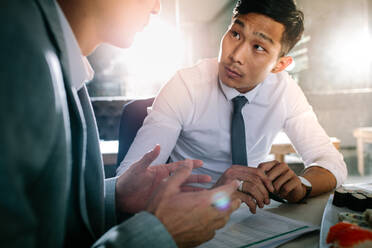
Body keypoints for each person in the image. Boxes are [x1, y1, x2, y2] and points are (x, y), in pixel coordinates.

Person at [0, 0, 242, 247]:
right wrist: (158, 234)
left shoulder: (57, 54)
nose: (157, 8)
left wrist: (114, 196)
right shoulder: (16, 48)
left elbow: (45, 211)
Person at [117, 0, 348, 214]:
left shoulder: (284, 90)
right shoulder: (185, 86)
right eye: (235, 34)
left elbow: (332, 162)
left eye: (258, 47)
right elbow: (129, 182)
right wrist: (214, 193)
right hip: (189, 210)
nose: (235, 56)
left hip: (254, 213)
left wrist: (302, 185)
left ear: (280, 65)